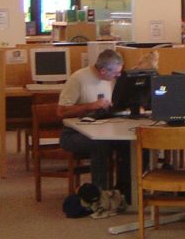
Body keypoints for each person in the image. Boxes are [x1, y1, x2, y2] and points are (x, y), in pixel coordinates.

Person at [57, 49, 132, 201]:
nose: (118, 75)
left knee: (127, 144)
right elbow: (61, 112)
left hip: (102, 128)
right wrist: (91, 106)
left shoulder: (110, 81)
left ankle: (125, 190)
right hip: (73, 134)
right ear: (103, 71)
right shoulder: (78, 78)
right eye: (116, 73)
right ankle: (100, 193)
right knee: (99, 144)